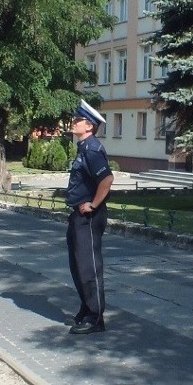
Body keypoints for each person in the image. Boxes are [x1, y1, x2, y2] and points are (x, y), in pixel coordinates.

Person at [65, 99, 113, 335]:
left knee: (89, 267)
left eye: (78, 120)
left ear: (90, 126)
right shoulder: (84, 148)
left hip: (89, 217)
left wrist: (93, 204)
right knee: (77, 265)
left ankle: (96, 318)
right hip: (77, 215)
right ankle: (86, 307)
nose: (73, 123)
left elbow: (107, 180)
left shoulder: (93, 149)